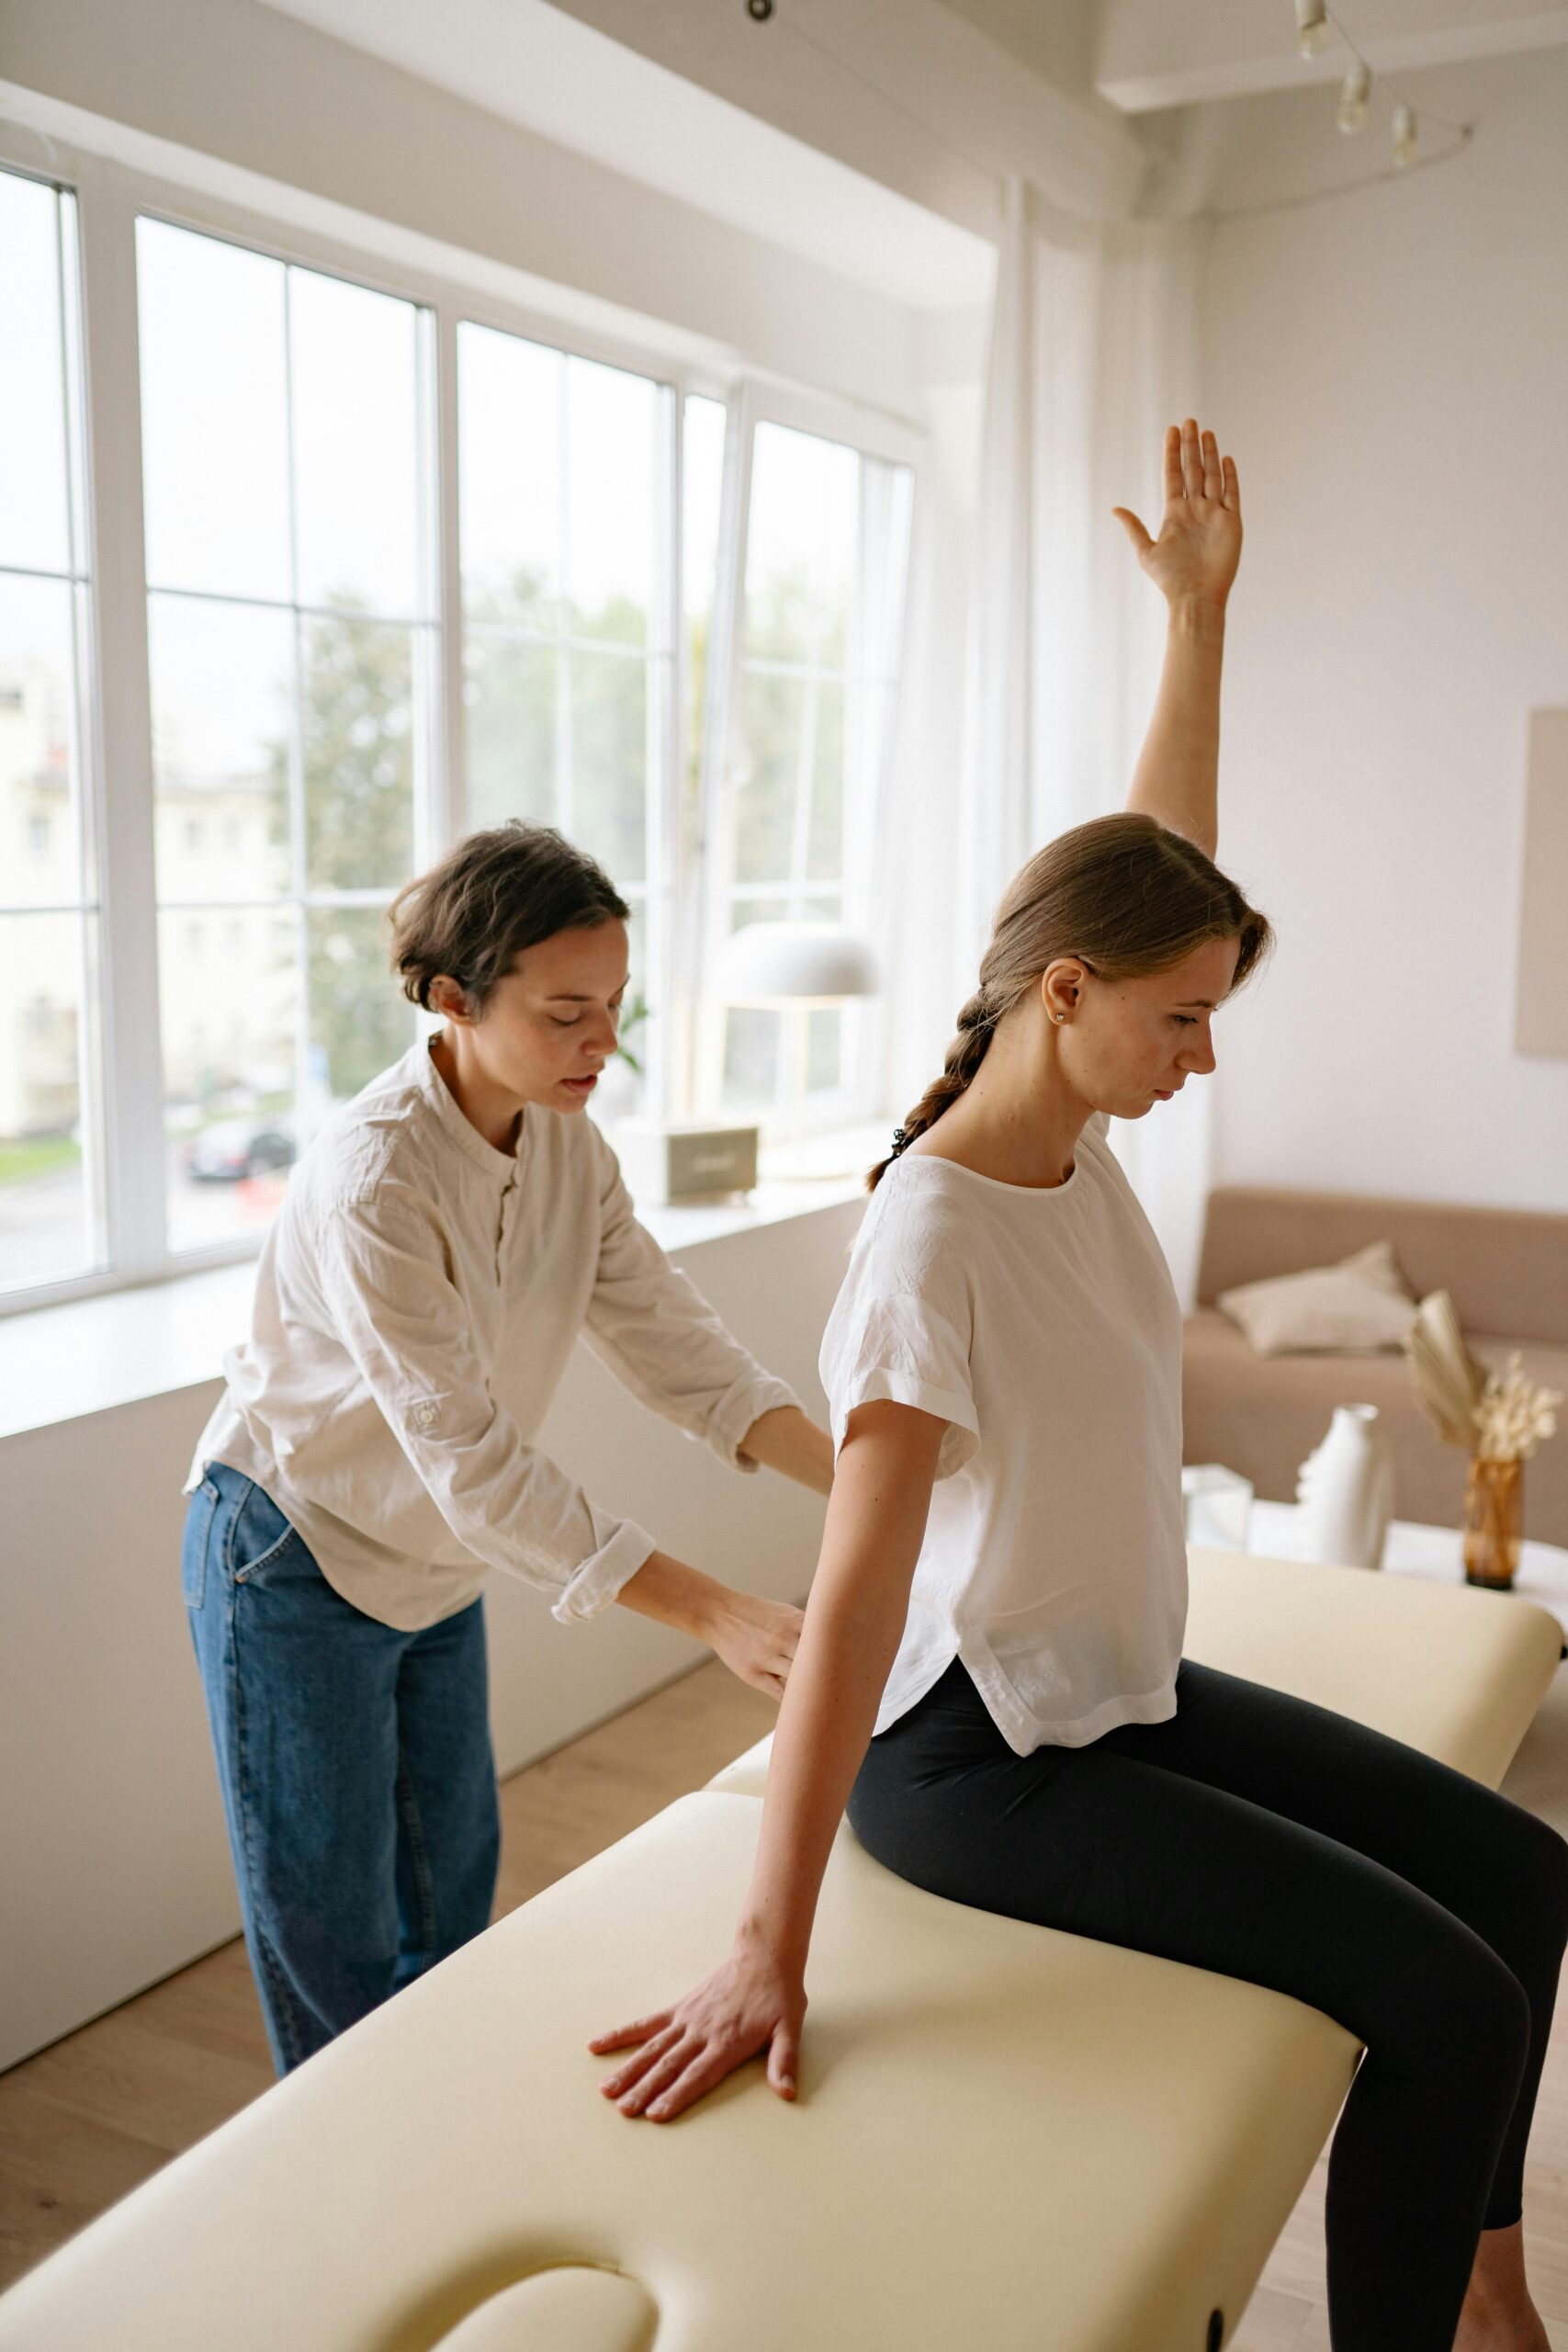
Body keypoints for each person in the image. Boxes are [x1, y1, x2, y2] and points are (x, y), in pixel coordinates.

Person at [589, 421, 1568, 2352]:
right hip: (972, 1760)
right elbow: (861, 1596)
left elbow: (1158, 871)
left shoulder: (1074, 1138)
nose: (1202, 1053)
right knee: (1437, 1993)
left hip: (1106, 1694)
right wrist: (760, 1944)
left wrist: (1198, 622)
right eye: (1180, 1018)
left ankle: (1485, 2289)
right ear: (1066, 997)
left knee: (1521, 1870)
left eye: (1207, 1011)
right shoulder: (937, 1233)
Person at [182, 822, 835, 2075]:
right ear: (452, 1000)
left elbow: (673, 1344)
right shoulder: (374, 1179)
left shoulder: (567, 1139)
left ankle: (442, 2143)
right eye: (568, 1013)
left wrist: (864, 1479)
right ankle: (355, 2203)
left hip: (436, 1565)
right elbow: (475, 1462)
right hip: (292, 1557)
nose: (605, 1044)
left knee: (451, 1899)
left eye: (617, 1008)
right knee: (336, 1942)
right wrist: (719, 1614)